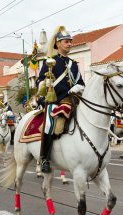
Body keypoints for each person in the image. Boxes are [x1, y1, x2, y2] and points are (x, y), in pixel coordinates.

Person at [36, 26, 85, 173]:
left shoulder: (74, 64)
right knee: (49, 125)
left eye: (70, 41)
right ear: (58, 44)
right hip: (56, 101)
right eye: (66, 41)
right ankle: (45, 158)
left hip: (74, 100)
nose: (70, 44)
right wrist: (45, 84)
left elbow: (81, 83)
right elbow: (39, 82)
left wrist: (78, 88)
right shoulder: (50, 62)